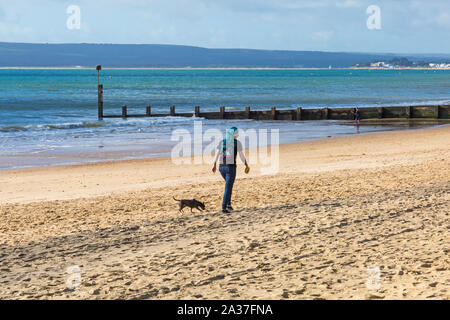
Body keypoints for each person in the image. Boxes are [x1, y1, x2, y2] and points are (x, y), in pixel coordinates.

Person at [212, 126, 249, 214]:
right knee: (228, 188)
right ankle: (224, 208)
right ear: (234, 134)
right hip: (230, 168)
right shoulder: (237, 143)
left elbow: (216, 154)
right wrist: (246, 164)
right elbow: (241, 156)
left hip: (221, 167)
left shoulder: (222, 142)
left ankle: (229, 204)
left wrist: (214, 165)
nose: (238, 135)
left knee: (229, 186)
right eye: (237, 133)